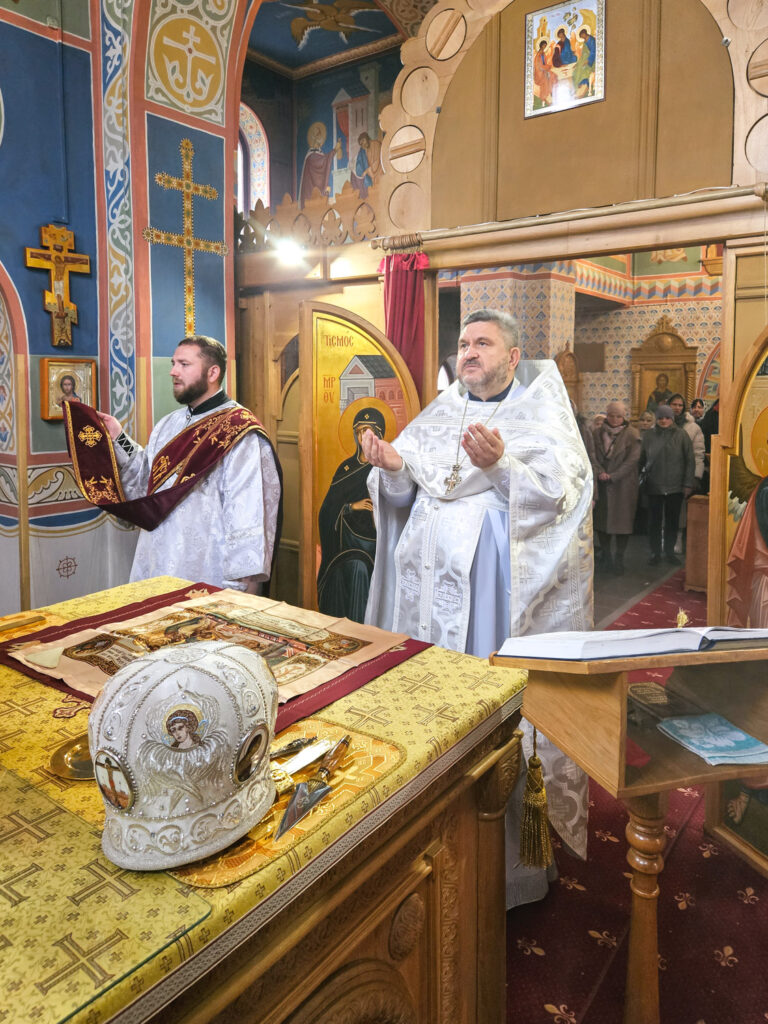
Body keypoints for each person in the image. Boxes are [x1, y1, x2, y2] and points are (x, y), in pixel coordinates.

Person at [362, 308, 593, 908]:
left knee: (486, 709)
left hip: (491, 595)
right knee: (428, 706)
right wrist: (393, 467)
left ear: (512, 357)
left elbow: (562, 496)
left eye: (483, 343)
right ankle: (423, 834)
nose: (468, 351)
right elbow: (408, 487)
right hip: (424, 595)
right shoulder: (442, 410)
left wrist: (500, 466)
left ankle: (500, 865)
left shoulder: (541, 412)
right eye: (464, 343)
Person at [89, 335, 281, 592]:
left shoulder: (240, 433)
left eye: (184, 364)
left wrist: (239, 592)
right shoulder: (168, 424)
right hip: (157, 562)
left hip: (205, 569)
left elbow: (248, 515)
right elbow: (146, 482)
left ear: (213, 373)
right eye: (173, 363)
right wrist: (118, 437)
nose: (173, 371)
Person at [317, 406, 385, 622]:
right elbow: (326, 512)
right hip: (343, 545)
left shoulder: (384, 467)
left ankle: (359, 629)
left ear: (378, 434)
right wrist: (351, 507)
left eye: (368, 431)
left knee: (358, 567)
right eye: (359, 431)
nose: (363, 436)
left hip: (373, 546)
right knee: (341, 571)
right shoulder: (346, 468)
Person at [640, 404, 695, 565]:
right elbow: (642, 459)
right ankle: (655, 552)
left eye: (667, 418)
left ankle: (670, 552)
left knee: (672, 521)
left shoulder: (681, 435)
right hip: (654, 484)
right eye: (660, 418)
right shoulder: (648, 436)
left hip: (675, 485)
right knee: (654, 522)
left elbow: (689, 460)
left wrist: (687, 484)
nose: (664, 421)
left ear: (672, 419)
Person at [593, 401, 641, 575]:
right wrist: (600, 471)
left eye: (619, 416)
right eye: (611, 416)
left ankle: (619, 558)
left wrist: (613, 475)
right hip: (602, 483)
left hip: (623, 485)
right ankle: (607, 557)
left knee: (623, 523)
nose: (615, 420)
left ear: (624, 417)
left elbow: (632, 460)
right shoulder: (597, 433)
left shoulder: (632, 434)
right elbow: (592, 455)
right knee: (602, 522)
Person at [299, 122, 342, 207]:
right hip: (310, 192)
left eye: (319, 135)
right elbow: (321, 162)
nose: (318, 138)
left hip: (318, 193)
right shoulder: (310, 156)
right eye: (315, 135)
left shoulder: (320, 153)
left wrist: (336, 150)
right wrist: (334, 150)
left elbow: (324, 161)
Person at [350, 132, 382, 198]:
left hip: (379, 171)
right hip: (373, 174)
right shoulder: (365, 150)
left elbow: (377, 160)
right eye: (361, 144)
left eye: (363, 141)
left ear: (367, 138)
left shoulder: (376, 144)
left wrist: (367, 170)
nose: (363, 144)